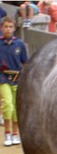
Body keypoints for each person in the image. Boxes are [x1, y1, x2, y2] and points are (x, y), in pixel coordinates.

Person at [0, 16, 28, 146]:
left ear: (14, 28)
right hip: (3, 78)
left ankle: (16, 133)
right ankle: (7, 132)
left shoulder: (19, 44)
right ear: (1, 28)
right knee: (7, 104)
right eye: (5, 26)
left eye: (10, 27)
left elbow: (25, 62)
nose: (8, 29)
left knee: (16, 106)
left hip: (17, 78)